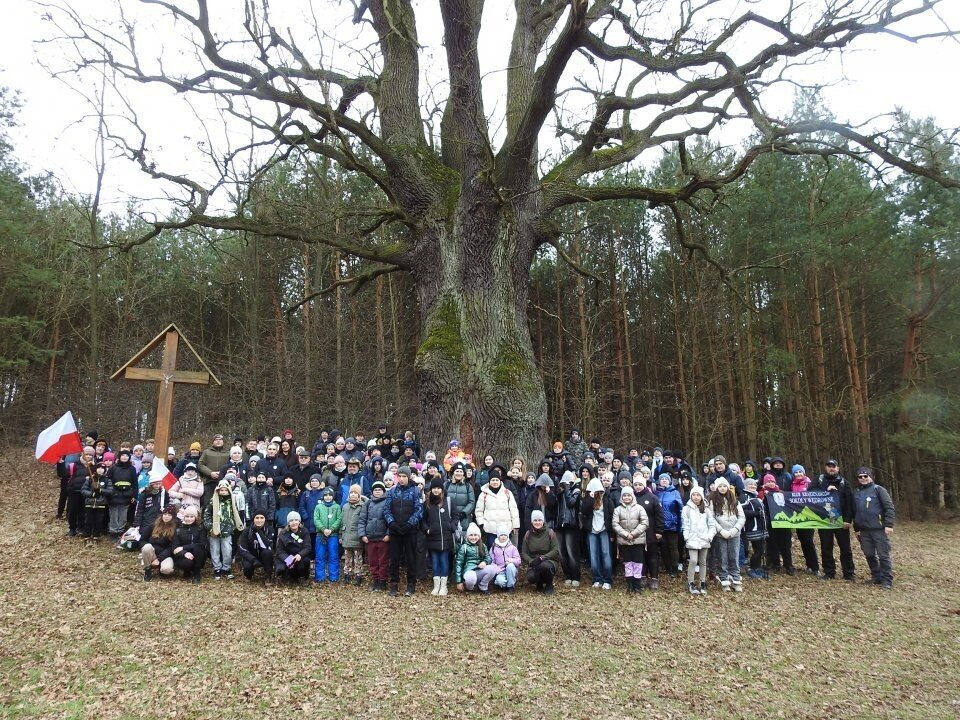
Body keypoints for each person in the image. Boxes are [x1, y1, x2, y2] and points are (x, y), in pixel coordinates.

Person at [810, 459, 856, 581]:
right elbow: (809, 494)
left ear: (838, 468)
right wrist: (825, 490)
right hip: (824, 520)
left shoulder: (844, 483)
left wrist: (848, 520)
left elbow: (850, 502)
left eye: (834, 466)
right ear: (826, 468)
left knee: (845, 548)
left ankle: (849, 572)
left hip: (840, 520)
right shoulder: (819, 480)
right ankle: (829, 572)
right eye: (829, 466)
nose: (831, 468)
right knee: (826, 547)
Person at [852, 467, 895, 589]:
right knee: (869, 554)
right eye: (860, 476)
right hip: (864, 530)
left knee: (883, 555)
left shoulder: (879, 490)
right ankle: (876, 576)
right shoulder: (857, 492)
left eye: (866, 476)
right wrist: (856, 529)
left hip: (879, 529)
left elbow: (889, 507)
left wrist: (889, 525)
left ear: (871, 476)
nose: (863, 478)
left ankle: (887, 580)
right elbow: (856, 511)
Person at [384, 466, 423, 596]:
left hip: (410, 530)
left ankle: (411, 584)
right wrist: (392, 523)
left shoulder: (415, 491)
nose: (401, 479)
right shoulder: (392, 491)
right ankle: (394, 584)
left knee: (411, 558)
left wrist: (409, 524)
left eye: (404, 476)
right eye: (399, 476)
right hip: (395, 530)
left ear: (408, 477)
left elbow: (419, 510)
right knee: (394, 558)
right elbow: (387, 510)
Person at [202, 479, 244, 580]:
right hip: (214, 531)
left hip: (227, 531)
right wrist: (210, 528)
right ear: (218, 491)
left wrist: (233, 527)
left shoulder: (232, 502)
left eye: (226, 490)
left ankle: (227, 568)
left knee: (227, 550)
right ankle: (217, 568)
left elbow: (235, 515)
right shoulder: (212, 502)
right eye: (222, 490)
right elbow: (206, 516)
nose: (224, 492)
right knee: (215, 550)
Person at [423, 478, 457, 596]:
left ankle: (444, 586)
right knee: (435, 561)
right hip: (432, 537)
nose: (436, 490)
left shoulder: (448, 501)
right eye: (434, 488)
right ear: (431, 489)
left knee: (444, 560)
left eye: (438, 488)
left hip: (446, 537)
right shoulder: (427, 503)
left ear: (442, 489)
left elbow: (455, 515)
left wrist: (452, 526)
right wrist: (427, 529)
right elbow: (423, 520)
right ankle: (436, 585)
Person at [711, 477, 745, 592]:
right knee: (722, 557)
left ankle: (735, 579)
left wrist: (735, 529)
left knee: (734, 557)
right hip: (721, 534)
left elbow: (741, 517)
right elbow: (711, 518)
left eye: (724, 486)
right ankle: (724, 578)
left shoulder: (735, 500)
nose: (722, 488)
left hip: (734, 533)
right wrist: (721, 530)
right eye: (720, 486)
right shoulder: (713, 501)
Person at [612, 486, 648, 593]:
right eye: (624, 495)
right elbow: (615, 524)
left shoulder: (639, 508)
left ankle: (637, 584)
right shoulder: (617, 510)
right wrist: (625, 534)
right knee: (627, 563)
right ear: (621, 497)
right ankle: (629, 584)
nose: (627, 497)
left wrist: (634, 533)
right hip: (624, 540)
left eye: (628, 495)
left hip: (638, 540)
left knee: (637, 563)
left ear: (632, 496)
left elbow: (645, 522)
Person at [581, 475, 614, 590]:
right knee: (593, 556)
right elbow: (584, 511)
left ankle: (607, 580)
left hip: (604, 530)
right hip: (592, 531)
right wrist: (590, 498)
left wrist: (612, 534)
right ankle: (597, 579)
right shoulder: (587, 499)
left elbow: (611, 516)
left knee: (606, 555)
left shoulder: (607, 500)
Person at [682, 485, 715, 596]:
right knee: (693, 560)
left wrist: (709, 536)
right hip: (692, 539)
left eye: (698, 495)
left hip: (704, 538)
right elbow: (685, 524)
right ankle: (690, 582)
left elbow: (711, 524)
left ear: (701, 496)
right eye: (694, 495)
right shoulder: (686, 509)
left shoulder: (706, 509)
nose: (696, 497)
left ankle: (703, 582)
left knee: (703, 562)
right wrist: (686, 536)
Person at [359, 481, 390, 592]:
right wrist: (362, 534)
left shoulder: (388, 502)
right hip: (370, 537)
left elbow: (391, 520)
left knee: (383, 560)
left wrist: (388, 534)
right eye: (375, 490)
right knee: (372, 561)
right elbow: (362, 520)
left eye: (380, 490)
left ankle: (383, 581)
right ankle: (376, 580)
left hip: (383, 538)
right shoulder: (367, 504)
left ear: (383, 491)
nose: (377, 492)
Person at [475, 474, 520, 547]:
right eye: (493, 480)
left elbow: (514, 510)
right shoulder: (484, 494)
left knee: (505, 551)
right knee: (492, 550)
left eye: (497, 480)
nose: (495, 482)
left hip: (506, 528)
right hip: (490, 529)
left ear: (500, 481)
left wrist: (515, 525)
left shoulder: (507, 493)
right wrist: (481, 524)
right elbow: (478, 510)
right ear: (489, 482)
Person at [521, 510, 559, 595]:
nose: (537, 522)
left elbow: (555, 549)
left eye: (539, 520)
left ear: (543, 521)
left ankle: (549, 584)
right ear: (532, 522)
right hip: (534, 562)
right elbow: (523, 552)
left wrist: (543, 557)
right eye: (535, 520)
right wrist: (530, 561)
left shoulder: (550, 532)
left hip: (549, 560)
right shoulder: (528, 534)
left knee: (544, 566)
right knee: (531, 577)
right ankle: (539, 583)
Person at [60, 446, 94, 536]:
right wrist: (60, 464)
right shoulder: (74, 465)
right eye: (87, 454)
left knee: (84, 511)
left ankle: (81, 527)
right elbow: (64, 474)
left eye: (91, 455)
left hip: (86, 492)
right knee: (73, 510)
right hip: (74, 490)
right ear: (82, 454)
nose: (88, 456)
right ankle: (72, 528)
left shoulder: (94, 466)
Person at [555, 470, 582, 587]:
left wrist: (567, 489)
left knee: (572, 552)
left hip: (571, 525)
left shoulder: (576, 490)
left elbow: (571, 503)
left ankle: (575, 576)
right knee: (561, 552)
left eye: (568, 483)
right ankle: (568, 575)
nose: (566, 485)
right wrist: (560, 491)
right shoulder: (559, 493)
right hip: (559, 526)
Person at [104, 449, 138, 540]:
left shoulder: (132, 469)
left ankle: (121, 530)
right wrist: (109, 493)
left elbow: (135, 483)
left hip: (126, 495)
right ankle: (113, 531)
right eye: (123, 455)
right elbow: (108, 481)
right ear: (119, 457)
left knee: (123, 514)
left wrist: (134, 495)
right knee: (114, 514)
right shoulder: (113, 468)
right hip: (114, 494)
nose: (124, 457)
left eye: (127, 456)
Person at [455, 523, 497, 594]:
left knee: (492, 569)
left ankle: (482, 586)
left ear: (479, 536)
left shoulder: (483, 546)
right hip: (468, 571)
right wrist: (459, 581)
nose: (473, 537)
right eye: (471, 535)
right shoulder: (464, 547)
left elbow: (488, 557)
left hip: (479, 570)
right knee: (471, 578)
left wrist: (485, 562)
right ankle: (469, 588)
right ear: (467, 536)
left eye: (475, 535)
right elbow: (458, 563)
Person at [739, 477, 769, 579]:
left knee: (761, 549)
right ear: (745, 486)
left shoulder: (756, 496)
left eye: (754, 485)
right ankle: (752, 568)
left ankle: (757, 567)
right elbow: (742, 511)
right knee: (758, 549)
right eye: (750, 484)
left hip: (761, 526)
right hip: (752, 527)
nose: (753, 486)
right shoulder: (744, 496)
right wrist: (756, 513)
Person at [313, 486, 342, 583]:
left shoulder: (337, 507)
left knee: (333, 555)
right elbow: (316, 519)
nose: (328, 497)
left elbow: (339, 519)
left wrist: (332, 529)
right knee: (320, 555)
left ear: (333, 496)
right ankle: (320, 576)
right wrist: (323, 529)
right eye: (326, 495)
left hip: (333, 535)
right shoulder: (318, 507)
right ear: (323, 496)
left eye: (330, 495)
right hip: (320, 535)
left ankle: (333, 576)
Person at [140, 506, 178, 581]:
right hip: (152, 552)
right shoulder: (153, 525)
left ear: (173, 517)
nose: (166, 516)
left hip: (166, 555)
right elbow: (142, 540)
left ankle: (161, 568)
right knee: (147, 547)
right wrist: (145, 549)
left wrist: (159, 559)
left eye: (169, 515)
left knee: (166, 570)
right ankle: (147, 570)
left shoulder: (176, 529)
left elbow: (172, 547)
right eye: (165, 514)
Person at [275, 511, 312, 585]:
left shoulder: (304, 531)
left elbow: (307, 547)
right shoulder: (283, 533)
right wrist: (288, 560)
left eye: (296, 520)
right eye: (291, 521)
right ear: (288, 523)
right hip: (288, 557)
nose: (294, 523)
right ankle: (286, 577)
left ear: (299, 522)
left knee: (305, 561)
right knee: (281, 568)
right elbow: (280, 551)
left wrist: (300, 555)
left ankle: (301, 577)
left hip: (299, 556)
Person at [171, 506, 207, 583]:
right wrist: (184, 553)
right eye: (187, 516)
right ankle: (186, 571)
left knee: (198, 547)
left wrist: (183, 547)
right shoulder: (179, 529)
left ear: (195, 517)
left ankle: (197, 574)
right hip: (183, 556)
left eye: (191, 516)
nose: (189, 519)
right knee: (186, 562)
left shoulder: (200, 528)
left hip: (198, 554)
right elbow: (174, 547)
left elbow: (202, 543)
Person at [237, 511, 275, 583]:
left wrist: (258, 531)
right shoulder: (247, 531)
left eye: (262, 518)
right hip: (251, 556)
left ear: (265, 519)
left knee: (267, 552)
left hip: (264, 555)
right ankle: (249, 575)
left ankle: (268, 576)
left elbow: (266, 546)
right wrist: (253, 560)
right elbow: (242, 549)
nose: (259, 520)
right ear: (253, 519)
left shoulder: (269, 529)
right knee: (247, 566)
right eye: (257, 518)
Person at [341, 483, 367, 586]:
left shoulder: (362, 506)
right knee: (347, 558)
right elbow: (342, 522)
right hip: (346, 537)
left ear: (359, 495)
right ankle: (347, 574)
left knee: (358, 559)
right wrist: (340, 535)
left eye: (355, 493)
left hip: (357, 537)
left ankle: (358, 576)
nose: (352, 495)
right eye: (351, 492)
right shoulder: (345, 506)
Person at [489, 525, 521, 592]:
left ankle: (510, 586)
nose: (503, 537)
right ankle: (503, 583)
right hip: (500, 571)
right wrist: (497, 569)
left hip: (511, 569)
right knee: (500, 582)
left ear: (507, 536)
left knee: (510, 566)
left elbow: (518, 560)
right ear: (498, 536)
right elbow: (491, 561)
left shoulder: (512, 547)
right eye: (501, 535)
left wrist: (510, 561)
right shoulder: (494, 548)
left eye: (505, 535)